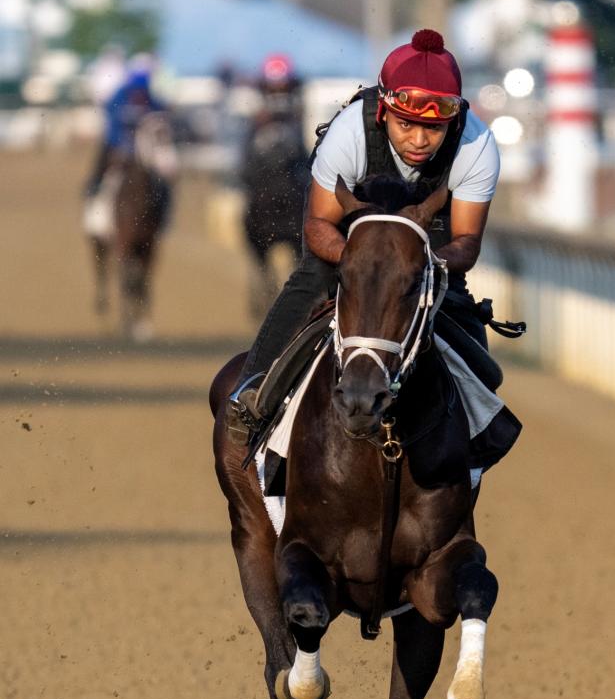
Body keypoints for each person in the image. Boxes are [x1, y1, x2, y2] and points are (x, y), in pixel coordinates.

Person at [227, 28, 503, 443]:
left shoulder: (476, 144)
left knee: (455, 301)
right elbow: (318, 225)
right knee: (312, 280)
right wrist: (361, 260)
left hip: (429, 241)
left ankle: (480, 423)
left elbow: (467, 242)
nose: (420, 140)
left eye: (435, 129)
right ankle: (252, 393)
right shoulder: (349, 133)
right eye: (406, 124)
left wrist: (417, 265)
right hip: (351, 230)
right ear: (383, 112)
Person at [241, 54, 309, 288]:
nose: (278, 91)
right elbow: (247, 158)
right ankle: (258, 274)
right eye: (274, 86)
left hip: (294, 182)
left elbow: (304, 153)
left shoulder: (298, 111)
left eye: (282, 86)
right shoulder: (256, 114)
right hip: (262, 182)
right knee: (245, 211)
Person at [84, 65, 168, 197]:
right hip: (117, 140)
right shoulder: (119, 96)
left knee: (160, 171)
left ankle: (162, 198)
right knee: (103, 158)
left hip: (141, 144)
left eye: (142, 91)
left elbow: (159, 113)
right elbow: (112, 116)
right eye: (137, 90)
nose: (139, 94)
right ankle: (95, 186)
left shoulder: (150, 98)